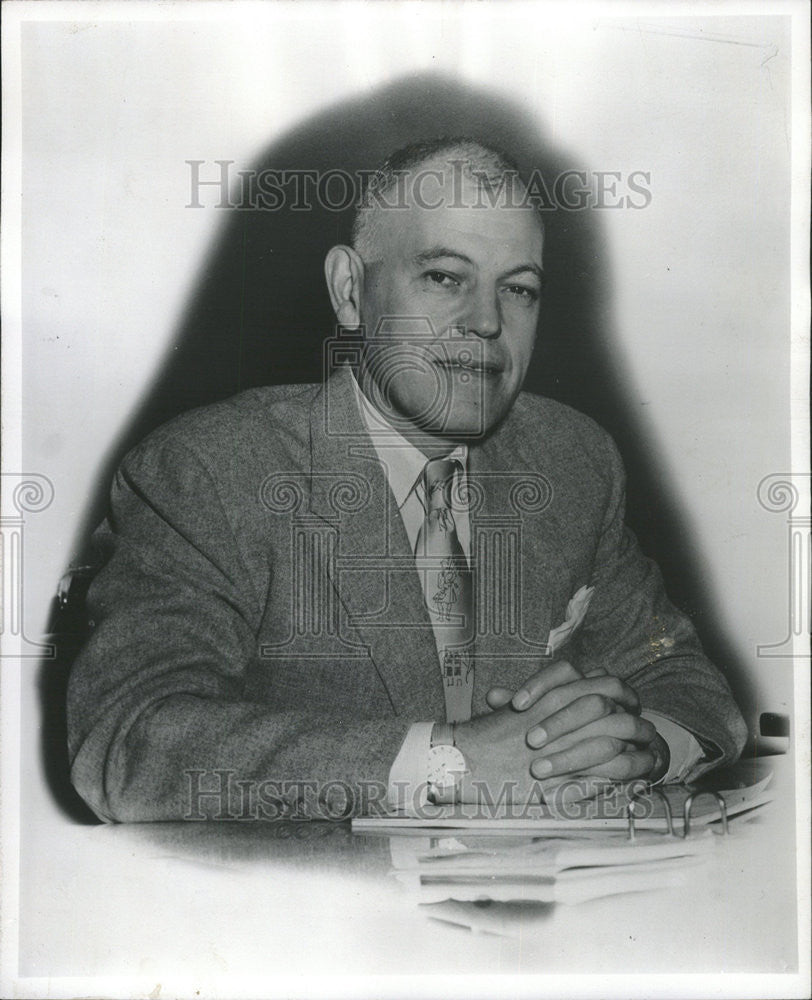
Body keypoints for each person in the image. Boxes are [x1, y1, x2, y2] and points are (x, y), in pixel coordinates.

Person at [67, 138, 747, 822]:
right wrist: (448, 766)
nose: (487, 321)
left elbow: (685, 680)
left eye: (520, 289)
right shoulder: (209, 472)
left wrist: (642, 748)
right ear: (350, 292)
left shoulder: (572, 460)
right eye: (446, 278)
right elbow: (126, 743)